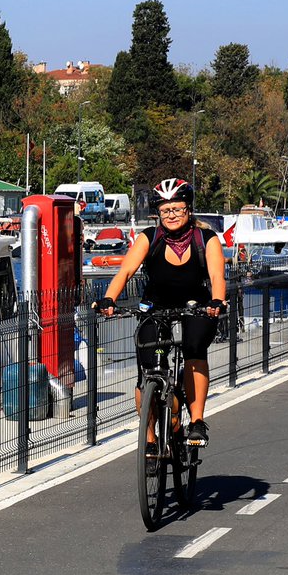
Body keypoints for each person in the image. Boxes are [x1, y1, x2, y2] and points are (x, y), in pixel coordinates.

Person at [92, 178, 227, 446]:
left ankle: (197, 422)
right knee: (148, 369)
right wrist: (109, 298)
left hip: (197, 306)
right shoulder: (150, 238)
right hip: (156, 306)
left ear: (188, 209)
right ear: (158, 213)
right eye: (166, 211)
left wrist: (217, 301)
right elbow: (126, 270)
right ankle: (150, 440)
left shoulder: (206, 239)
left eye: (177, 209)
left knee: (194, 348)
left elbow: (216, 275)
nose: (172, 215)